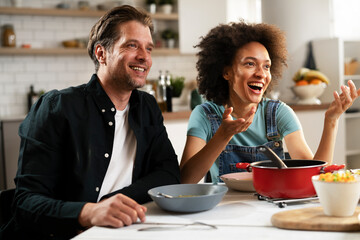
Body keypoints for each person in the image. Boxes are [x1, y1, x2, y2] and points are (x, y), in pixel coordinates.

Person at [0, 5, 180, 239]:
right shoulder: (57, 107)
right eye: (131, 45)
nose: (145, 57)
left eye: (148, 48)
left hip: (119, 231)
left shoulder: (147, 107)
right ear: (101, 53)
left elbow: (168, 173)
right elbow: (26, 203)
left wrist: (114, 203)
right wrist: (89, 212)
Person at [180, 20, 360, 184]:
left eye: (266, 66)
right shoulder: (205, 115)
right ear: (227, 72)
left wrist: (331, 120)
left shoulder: (278, 113)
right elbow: (185, 181)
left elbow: (313, 177)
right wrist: (222, 135)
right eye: (250, 64)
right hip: (222, 210)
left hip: (272, 204)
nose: (261, 73)